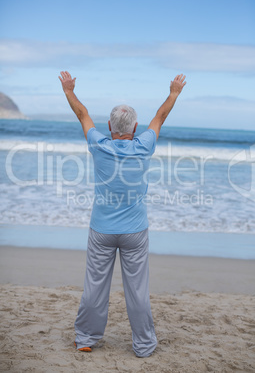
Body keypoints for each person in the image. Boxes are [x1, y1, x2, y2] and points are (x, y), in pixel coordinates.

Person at [59, 71, 186, 358]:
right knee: (138, 291)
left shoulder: (99, 145)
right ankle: (143, 345)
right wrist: (174, 93)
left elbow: (82, 114)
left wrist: (68, 91)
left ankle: (86, 338)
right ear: (135, 127)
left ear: (109, 127)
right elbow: (160, 116)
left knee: (95, 286)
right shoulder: (144, 146)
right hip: (135, 232)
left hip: (102, 230)